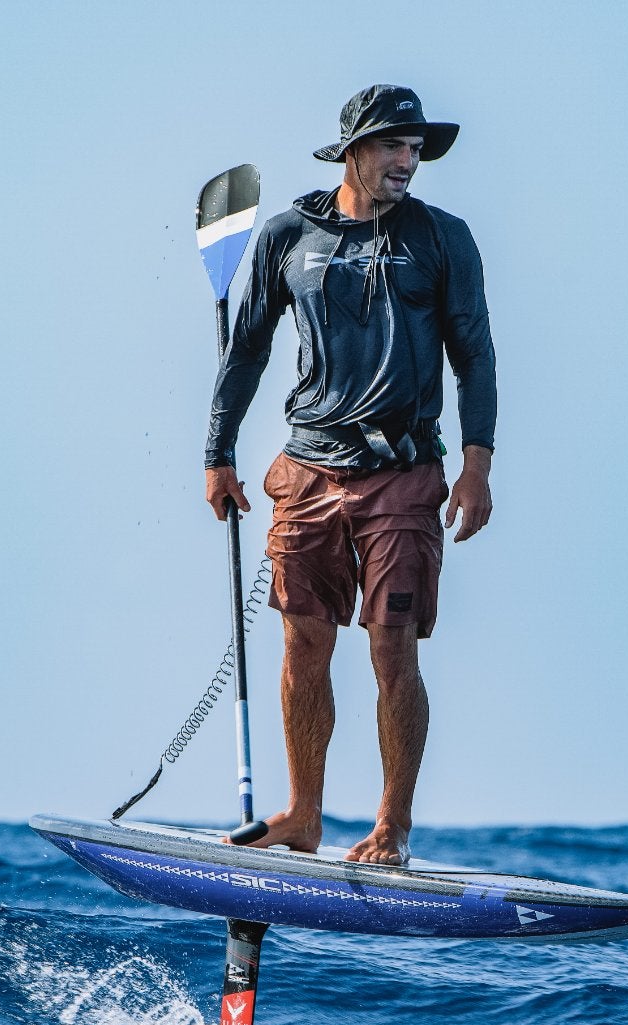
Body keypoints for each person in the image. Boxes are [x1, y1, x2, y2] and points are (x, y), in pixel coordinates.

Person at [203, 84, 497, 865]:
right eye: (395, 146)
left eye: (417, 148)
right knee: (304, 642)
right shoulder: (285, 236)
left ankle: (391, 827)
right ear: (355, 151)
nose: (410, 160)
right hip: (306, 470)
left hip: (404, 473)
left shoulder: (443, 238)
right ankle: (303, 814)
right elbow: (248, 352)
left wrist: (477, 466)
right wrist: (217, 454)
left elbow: (475, 355)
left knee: (392, 642)